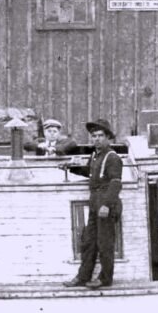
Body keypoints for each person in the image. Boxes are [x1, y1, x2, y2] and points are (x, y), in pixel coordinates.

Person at [62, 119, 124, 290]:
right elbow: (89, 172)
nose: (96, 139)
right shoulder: (95, 156)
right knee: (89, 242)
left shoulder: (112, 157)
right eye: (94, 136)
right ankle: (83, 277)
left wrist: (106, 205)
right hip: (94, 201)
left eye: (100, 136)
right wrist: (70, 168)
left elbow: (116, 183)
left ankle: (105, 279)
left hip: (106, 203)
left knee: (105, 244)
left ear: (108, 138)